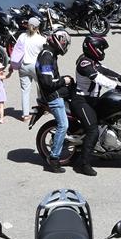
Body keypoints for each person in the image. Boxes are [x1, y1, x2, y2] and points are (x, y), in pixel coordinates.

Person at [72, 35, 121, 176]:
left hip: (93, 101)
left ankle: (104, 149)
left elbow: (105, 71)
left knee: (110, 119)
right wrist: (117, 86)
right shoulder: (84, 62)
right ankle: (84, 164)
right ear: (92, 48)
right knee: (93, 130)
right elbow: (97, 77)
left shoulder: (93, 61)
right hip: (81, 101)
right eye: (100, 48)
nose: (102, 51)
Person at [35, 30, 72, 173]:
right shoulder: (46, 56)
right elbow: (47, 82)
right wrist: (64, 80)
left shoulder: (50, 54)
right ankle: (54, 158)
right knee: (63, 125)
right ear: (59, 41)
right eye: (64, 42)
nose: (65, 46)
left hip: (54, 93)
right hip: (52, 96)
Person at [11, 16, 47, 121]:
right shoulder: (41, 39)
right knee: (40, 86)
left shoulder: (22, 36)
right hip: (35, 66)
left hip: (23, 66)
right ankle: (43, 107)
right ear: (37, 27)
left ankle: (25, 115)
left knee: (25, 91)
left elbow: (16, 51)